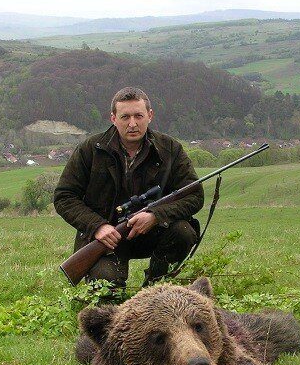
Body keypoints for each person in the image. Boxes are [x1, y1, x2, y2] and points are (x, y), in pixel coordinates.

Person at [54, 87, 203, 289]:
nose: (132, 124)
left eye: (138, 116)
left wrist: (156, 215)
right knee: (107, 290)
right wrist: (97, 226)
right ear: (113, 118)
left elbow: (194, 196)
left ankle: (156, 290)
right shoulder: (90, 149)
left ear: (149, 116)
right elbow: (64, 197)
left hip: (151, 233)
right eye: (125, 117)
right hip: (106, 239)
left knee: (183, 232)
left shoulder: (170, 149)